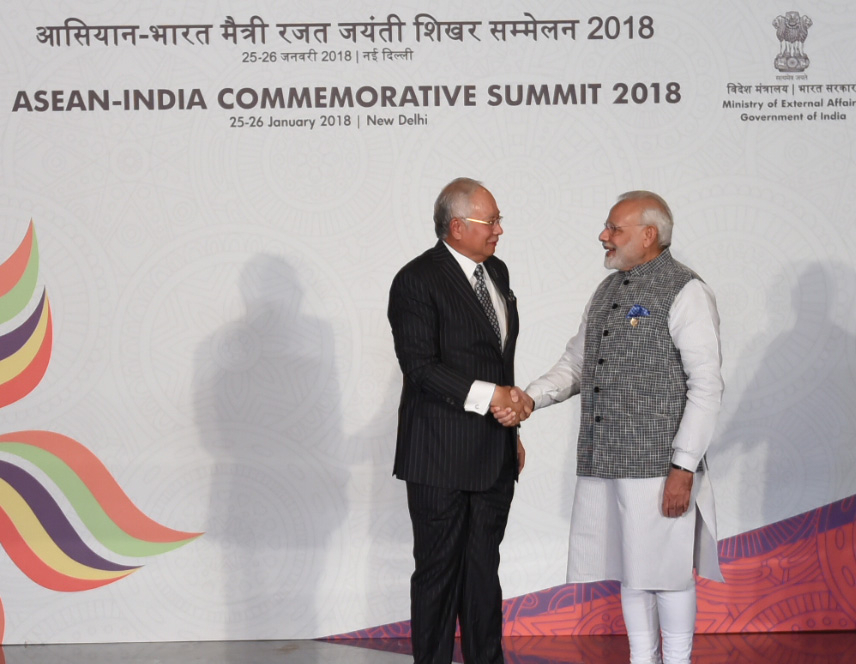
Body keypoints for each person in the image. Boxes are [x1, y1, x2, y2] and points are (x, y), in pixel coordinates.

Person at [494, 191, 724, 664]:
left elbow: (707, 386)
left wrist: (683, 466)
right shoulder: (608, 290)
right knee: (631, 570)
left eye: (615, 228)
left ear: (649, 235)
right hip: (607, 459)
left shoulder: (685, 290)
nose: (604, 235)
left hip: (659, 464)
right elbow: (576, 364)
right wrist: (531, 397)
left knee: (667, 572)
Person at [388, 177, 530, 664]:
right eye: (490, 221)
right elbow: (421, 367)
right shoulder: (417, 279)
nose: (498, 231)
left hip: (493, 454)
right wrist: (495, 397)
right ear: (456, 226)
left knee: (483, 573)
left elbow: (500, 364)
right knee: (437, 576)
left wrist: (512, 431)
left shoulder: (499, 272)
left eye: (497, 220)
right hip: (438, 456)